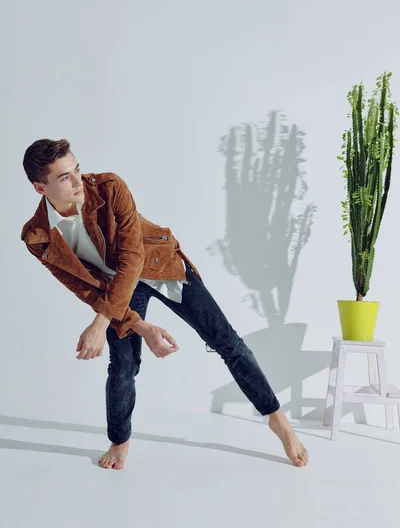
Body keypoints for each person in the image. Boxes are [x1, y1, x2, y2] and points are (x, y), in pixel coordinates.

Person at [21, 138, 308, 470]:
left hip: (159, 264)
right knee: (123, 364)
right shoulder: (38, 237)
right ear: (40, 187)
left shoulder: (109, 188)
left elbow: (132, 259)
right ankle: (119, 440)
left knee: (225, 340)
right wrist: (143, 328)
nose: (77, 182)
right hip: (116, 293)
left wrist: (100, 324)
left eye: (77, 170)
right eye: (64, 177)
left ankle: (278, 420)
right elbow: (85, 288)